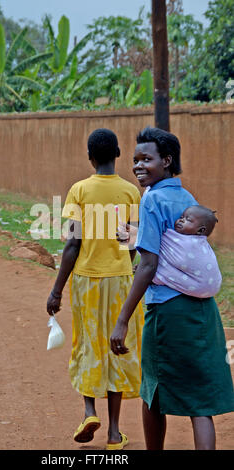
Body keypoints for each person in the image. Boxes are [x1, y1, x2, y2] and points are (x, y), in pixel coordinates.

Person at [110, 126, 234, 450]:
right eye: (135, 160)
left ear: (166, 161)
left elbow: (148, 266)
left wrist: (123, 320)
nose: (137, 166)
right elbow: (173, 253)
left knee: (153, 392)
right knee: (200, 403)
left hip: (168, 310)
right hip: (202, 311)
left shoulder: (151, 199)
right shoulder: (186, 197)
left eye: (146, 159)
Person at [47, 128, 144, 450]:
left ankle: (89, 411)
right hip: (120, 281)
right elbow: (131, 243)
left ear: (90, 156)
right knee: (117, 347)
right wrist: (122, 261)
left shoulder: (79, 190)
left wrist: (57, 290)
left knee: (87, 344)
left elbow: (73, 245)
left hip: (87, 281)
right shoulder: (131, 192)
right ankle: (115, 433)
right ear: (118, 154)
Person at [152, 205, 222, 297]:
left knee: (164, 271)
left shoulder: (189, 243)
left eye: (188, 220)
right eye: (181, 217)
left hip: (198, 287)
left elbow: (159, 235)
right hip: (213, 286)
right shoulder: (202, 243)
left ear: (200, 230)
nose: (181, 220)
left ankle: (154, 275)